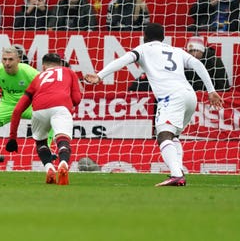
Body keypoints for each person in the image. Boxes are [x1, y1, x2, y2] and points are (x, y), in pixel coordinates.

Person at [84, 23, 224, 186]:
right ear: (163, 37)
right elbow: (198, 64)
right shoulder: (176, 51)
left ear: (144, 36)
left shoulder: (143, 49)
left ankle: (176, 175)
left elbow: (122, 60)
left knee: (163, 135)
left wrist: (99, 76)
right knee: (173, 136)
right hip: (189, 96)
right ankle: (178, 170)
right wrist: (211, 90)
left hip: (171, 97)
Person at [5, 53, 82, 185]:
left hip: (39, 110)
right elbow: (77, 99)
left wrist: (12, 137)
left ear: (44, 66)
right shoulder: (69, 72)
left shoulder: (38, 77)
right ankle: (63, 163)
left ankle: (49, 168)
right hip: (60, 107)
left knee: (41, 142)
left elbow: (17, 110)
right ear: (60, 64)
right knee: (62, 139)